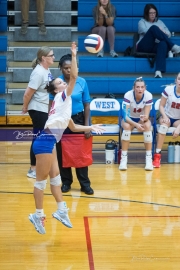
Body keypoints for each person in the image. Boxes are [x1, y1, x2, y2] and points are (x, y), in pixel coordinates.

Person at [26, 42, 104, 234]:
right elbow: (75, 77)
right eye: (60, 83)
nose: (64, 82)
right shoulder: (62, 97)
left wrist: (91, 126)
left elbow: (74, 126)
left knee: (55, 179)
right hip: (45, 142)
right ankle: (37, 214)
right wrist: (74, 54)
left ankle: (61, 210)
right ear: (56, 90)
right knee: (40, 182)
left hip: (49, 142)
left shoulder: (63, 105)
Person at [49, 54, 94, 195]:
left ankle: (84, 184)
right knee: (63, 153)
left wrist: (87, 125)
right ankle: (66, 182)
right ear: (61, 69)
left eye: (71, 68)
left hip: (78, 119)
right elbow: (52, 106)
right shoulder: (57, 83)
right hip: (62, 121)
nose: (68, 70)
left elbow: (87, 104)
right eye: (65, 68)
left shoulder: (81, 82)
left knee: (81, 153)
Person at [22, 46, 54, 179]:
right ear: (44, 58)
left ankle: (41, 164)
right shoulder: (38, 72)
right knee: (38, 137)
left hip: (44, 108)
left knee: (42, 137)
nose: (53, 57)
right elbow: (27, 93)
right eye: (51, 55)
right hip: (37, 109)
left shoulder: (47, 70)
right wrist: (25, 107)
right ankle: (32, 169)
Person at [137, 3, 180, 78]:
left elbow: (169, 34)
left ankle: (158, 71)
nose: (153, 15)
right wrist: (158, 29)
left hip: (155, 46)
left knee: (163, 43)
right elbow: (146, 30)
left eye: (154, 13)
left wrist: (162, 31)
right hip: (144, 46)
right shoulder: (141, 22)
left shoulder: (160, 22)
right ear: (146, 13)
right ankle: (173, 46)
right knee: (153, 28)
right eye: (150, 13)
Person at [119, 77, 153, 171]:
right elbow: (125, 116)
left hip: (141, 119)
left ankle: (149, 159)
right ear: (133, 88)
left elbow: (146, 115)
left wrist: (143, 119)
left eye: (142, 87)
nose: (140, 89)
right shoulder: (128, 95)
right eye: (138, 87)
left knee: (147, 126)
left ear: (145, 88)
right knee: (126, 127)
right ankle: (124, 159)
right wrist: (136, 124)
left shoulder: (148, 95)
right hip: (129, 119)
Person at [153, 72, 180, 168]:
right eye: (179, 79)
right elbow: (161, 105)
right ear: (176, 80)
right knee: (163, 127)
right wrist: (164, 116)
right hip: (166, 115)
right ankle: (157, 155)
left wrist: (178, 129)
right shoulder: (168, 89)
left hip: (178, 120)